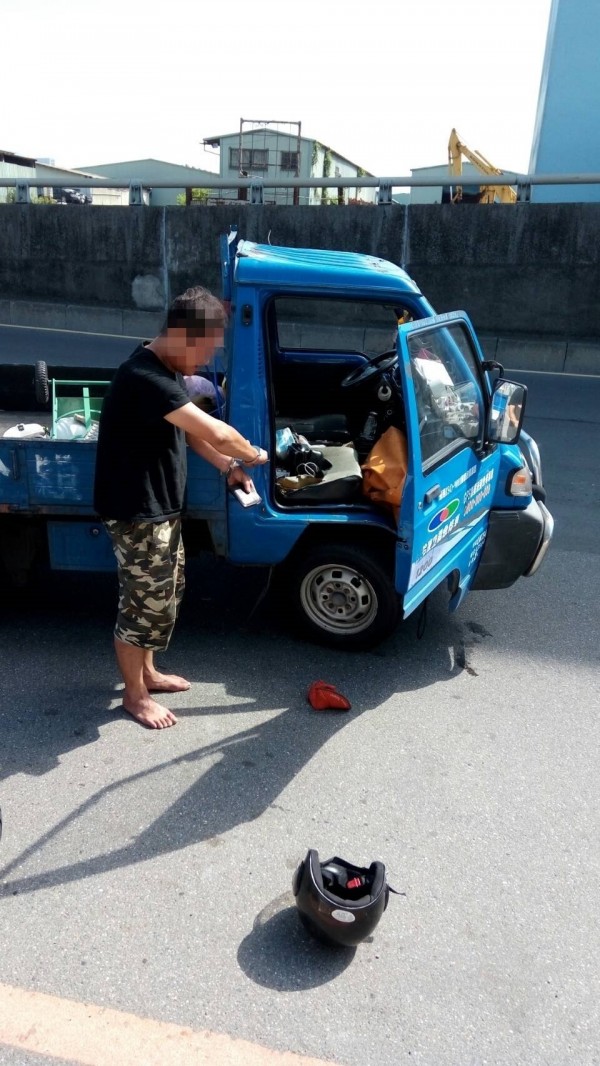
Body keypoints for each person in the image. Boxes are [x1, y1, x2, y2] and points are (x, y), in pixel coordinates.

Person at [94, 286, 269, 730]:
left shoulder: (166, 369)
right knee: (142, 605)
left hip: (160, 507)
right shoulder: (144, 377)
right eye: (206, 349)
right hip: (137, 512)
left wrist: (228, 466)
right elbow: (214, 429)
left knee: (164, 596)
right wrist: (251, 454)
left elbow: (193, 436)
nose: (207, 362)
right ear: (182, 335)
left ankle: (148, 674)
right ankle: (134, 697)